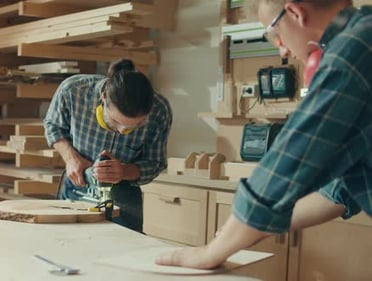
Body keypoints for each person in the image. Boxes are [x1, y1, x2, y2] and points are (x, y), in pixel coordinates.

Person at [156, 0, 372, 269]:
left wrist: (210, 253)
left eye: (274, 33)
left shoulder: (354, 52)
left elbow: (288, 162)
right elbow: (340, 190)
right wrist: (257, 227)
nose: (282, 48)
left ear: (294, 12)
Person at [44, 58, 172, 232]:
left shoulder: (160, 110)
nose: (122, 131)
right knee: (67, 243)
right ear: (103, 97)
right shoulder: (73, 91)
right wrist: (71, 158)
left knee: (123, 251)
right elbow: (53, 126)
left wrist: (123, 172)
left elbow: (154, 162)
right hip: (79, 184)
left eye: (135, 126)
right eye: (115, 122)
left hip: (123, 193)